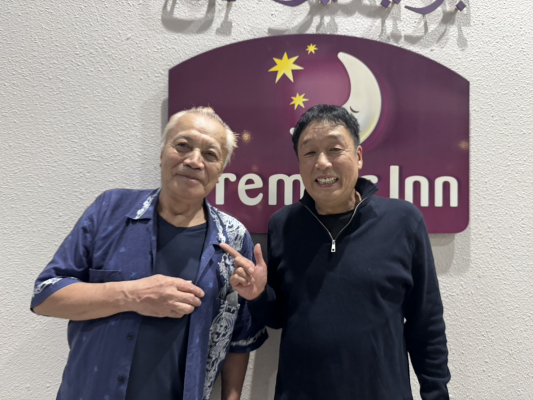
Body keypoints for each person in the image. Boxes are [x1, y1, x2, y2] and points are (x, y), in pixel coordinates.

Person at [31, 107, 267, 400]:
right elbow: (45, 297)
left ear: (220, 172)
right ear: (162, 153)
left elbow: (239, 337)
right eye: (183, 145)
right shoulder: (110, 210)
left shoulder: (233, 238)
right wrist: (132, 295)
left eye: (210, 154)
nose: (194, 161)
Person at [221, 104, 450, 400]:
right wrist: (257, 295)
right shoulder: (283, 225)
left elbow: (426, 323)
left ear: (358, 156)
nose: (322, 163)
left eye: (334, 149)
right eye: (310, 152)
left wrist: (436, 393)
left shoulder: (404, 221)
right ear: (299, 162)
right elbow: (278, 317)